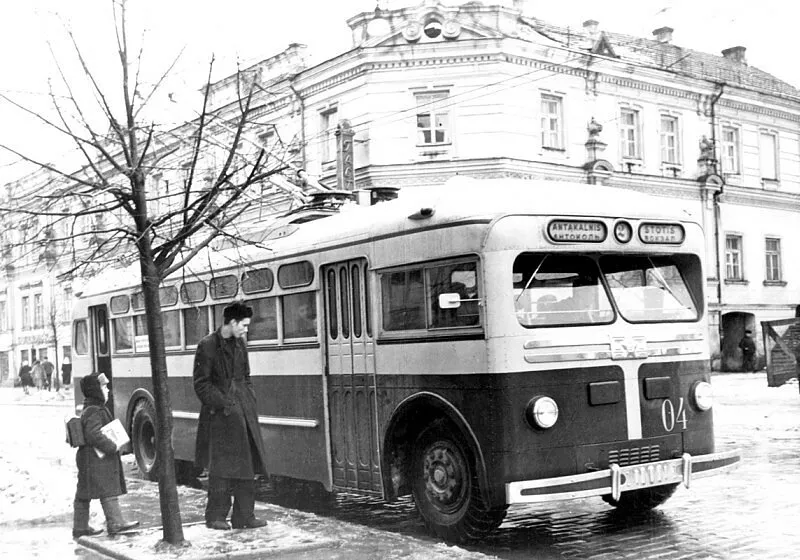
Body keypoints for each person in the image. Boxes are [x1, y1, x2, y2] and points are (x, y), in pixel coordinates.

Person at [193, 300, 269, 531]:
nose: (246, 330)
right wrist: (224, 403)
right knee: (221, 469)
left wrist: (249, 399)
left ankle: (244, 516)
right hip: (220, 416)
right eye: (243, 325)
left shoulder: (240, 344)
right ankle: (216, 516)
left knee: (248, 466)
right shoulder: (207, 345)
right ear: (232, 322)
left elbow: (246, 376)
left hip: (244, 412)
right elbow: (201, 384)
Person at [73, 372, 139, 538]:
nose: (108, 390)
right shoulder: (94, 410)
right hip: (97, 460)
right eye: (104, 386)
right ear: (95, 390)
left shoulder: (90, 408)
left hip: (89, 458)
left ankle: (80, 527)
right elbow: (93, 433)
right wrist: (112, 446)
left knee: (83, 493)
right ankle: (115, 522)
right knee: (108, 490)